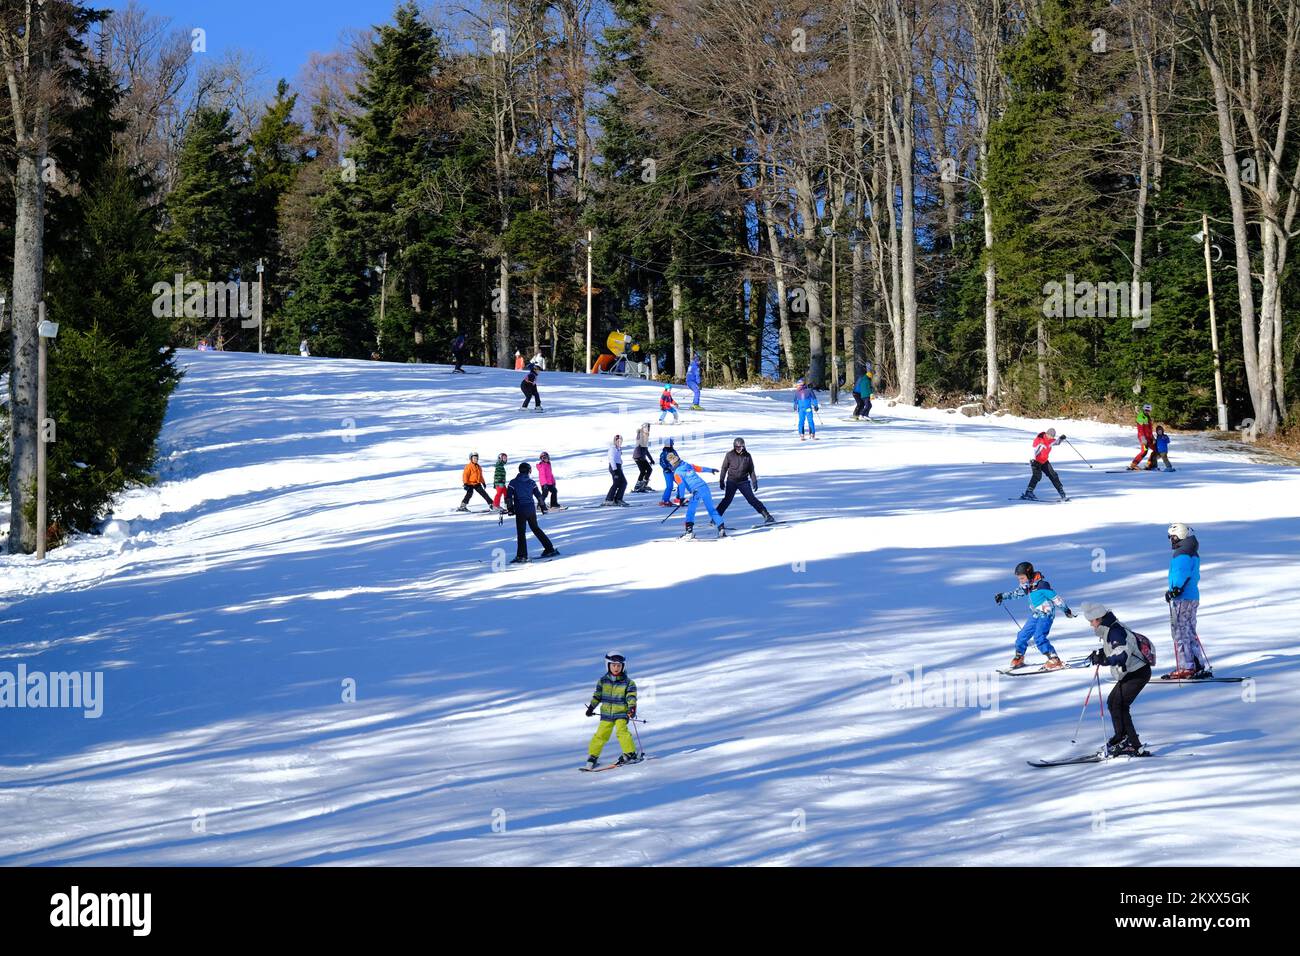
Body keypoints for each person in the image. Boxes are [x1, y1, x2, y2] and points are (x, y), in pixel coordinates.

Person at [1081, 601, 1153, 757]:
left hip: (1138, 672)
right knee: (1113, 701)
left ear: (1098, 618)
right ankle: (1121, 737)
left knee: (1120, 704)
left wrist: (1105, 660)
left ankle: (1133, 744)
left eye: (1091, 621)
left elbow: (1122, 654)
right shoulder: (1110, 627)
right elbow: (1115, 648)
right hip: (1132, 672)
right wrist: (1101, 653)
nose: (1091, 625)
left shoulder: (1115, 631)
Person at [995, 560, 1074, 669]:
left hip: (1046, 615)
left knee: (1039, 636)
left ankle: (1054, 659)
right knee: (1022, 635)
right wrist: (1003, 596)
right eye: (1019, 578)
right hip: (1036, 614)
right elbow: (1016, 594)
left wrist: (1066, 610)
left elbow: (1056, 599)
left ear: (1029, 574)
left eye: (1022, 578)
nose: (1020, 580)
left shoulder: (1042, 585)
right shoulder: (1027, 586)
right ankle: (1019, 657)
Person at [1164, 522, 1211, 679]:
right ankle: (1197, 663)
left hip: (1182, 597)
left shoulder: (1182, 554)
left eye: (1173, 537)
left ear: (1182, 536)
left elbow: (1180, 573)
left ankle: (1187, 666)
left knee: (1180, 631)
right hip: (1192, 596)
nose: (1172, 540)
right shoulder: (1192, 552)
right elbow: (1193, 575)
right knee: (1189, 629)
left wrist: (1174, 590)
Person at [584, 653, 638, 769]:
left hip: (621, 713)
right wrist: (591, 707)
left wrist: (632, 708)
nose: (616, 668)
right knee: (600, 735)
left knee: (621, 731)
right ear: (608, 665)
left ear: (623, 666)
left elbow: (631, 696)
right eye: (613, 665)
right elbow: (597, 696)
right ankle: (593, 756)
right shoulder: (603, 681)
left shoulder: (628, 683)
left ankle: (630, 753)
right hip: (606, 714)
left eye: (619, 666)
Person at [664, 448, 724, 538]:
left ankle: (689, 532)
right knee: (711, 509)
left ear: (672, 464)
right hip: (705, 487)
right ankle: (721, 528)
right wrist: (710, 470)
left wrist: (681, 498)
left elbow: (681, 485)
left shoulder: (677, 473)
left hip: (696, 491)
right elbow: (700, 468)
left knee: (691, 511)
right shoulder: (687, 465)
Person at [505, 462, 557, 564]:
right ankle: (549, 549)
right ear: (529, 471)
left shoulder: (513, 483)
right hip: (531, 510)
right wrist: (543, 507)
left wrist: (510, 509)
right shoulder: (531, 482)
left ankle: (522, 556)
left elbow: (508, 497)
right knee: (536, 529)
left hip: (520, 510)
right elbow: (539, 496)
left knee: (521, 533)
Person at [717, 437, 775, 524]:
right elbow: (724, 468)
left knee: (751, 499)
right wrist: (721, 480)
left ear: (744, 446)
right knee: (727, 500)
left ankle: (767, 515)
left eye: (741, 447)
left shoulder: (747, 456)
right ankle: (715, 518)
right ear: (734, 447)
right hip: (731, 481)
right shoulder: (729, 455)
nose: (739, 449)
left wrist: (754, 481)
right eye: (737, 447)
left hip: (743, 482)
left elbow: (751, 469)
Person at [1020, 428, 1069, 501]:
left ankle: (1061, 492)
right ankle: (1028, 492)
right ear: (1047, 434)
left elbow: (1056, 442)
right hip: (1035, 460)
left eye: (1053, 436)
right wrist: (1033, 458)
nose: (1052, 438)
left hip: (1044, 461)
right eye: (1051, 436)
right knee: (1037, 476)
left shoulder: (1050, 440)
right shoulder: (1039, 440)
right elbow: (1034, 446)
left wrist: (1061, 439)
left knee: (1053, 475)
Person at [603, 435, 630, 507]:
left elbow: (619, 460)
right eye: (618, 441)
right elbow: (612, 459)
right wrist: (615, 471)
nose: (619, 442)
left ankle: (618, 499)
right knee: (616, 483)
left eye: (621, 441)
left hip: (618, 467)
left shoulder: (618, 449)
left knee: (624, 483)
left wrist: (620, 468)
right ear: (615, 441)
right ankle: (608, 500)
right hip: (614, 467)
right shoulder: (613, 449)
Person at [1129, 403, 1157, 470]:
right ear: (1144, 409)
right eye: (1146, 410)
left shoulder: (1148, 417)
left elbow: (1149, 430)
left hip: (1149, 437)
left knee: (1156, 449)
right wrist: (1143, 438)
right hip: (1143, 438)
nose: (1147, 411)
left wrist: (1153, 438)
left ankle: (1149, 464)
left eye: (1148, 410)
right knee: (1144, 451)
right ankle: (1133, 465)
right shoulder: (1140, 417)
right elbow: (1140, 429)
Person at [632, 423, 654, 493]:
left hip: (639, 456)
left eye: (649, 428)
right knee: (647, 470)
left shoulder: (643, 434)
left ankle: (641, 485)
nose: (648, 429)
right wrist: (641, 457)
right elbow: (640, 446)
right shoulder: (642, 434)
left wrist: (651, 459)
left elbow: (645, 450)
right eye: (647, 427)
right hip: (639, 456)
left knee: (645, 471)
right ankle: (639, 486)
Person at [659, 438, 680, 506]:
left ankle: (678, 498)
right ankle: (665, 500)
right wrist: (666, 468)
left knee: (681, 483)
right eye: (671, 444)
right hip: (668, 472)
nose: (672, 445)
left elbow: (678, 459)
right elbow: (662, 462)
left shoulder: (673, 451)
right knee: (670, 486)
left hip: (675, 471)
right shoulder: (664, 453)